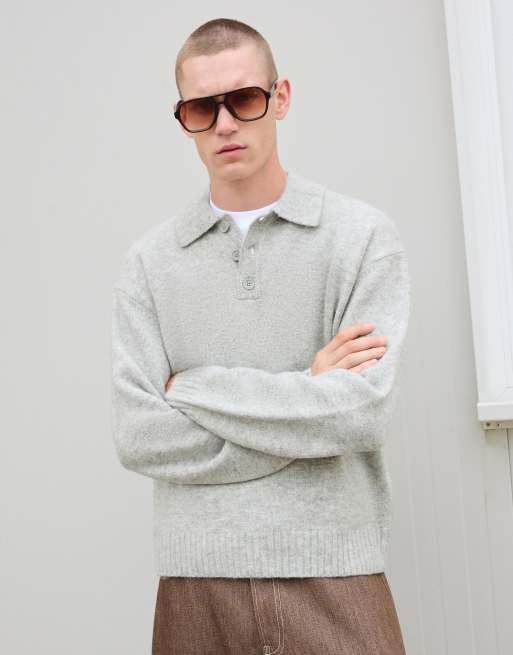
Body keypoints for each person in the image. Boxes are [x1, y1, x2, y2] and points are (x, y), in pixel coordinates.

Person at [110, 16, 410, 655]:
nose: (224, 124)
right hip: (195, 585)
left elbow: (358, 415)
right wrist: (309, 391)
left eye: (243, 99)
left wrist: (194, 391)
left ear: (280, 98)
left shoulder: (361, 238)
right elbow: (139, 437)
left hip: (337, 575)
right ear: (184, 119)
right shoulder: (149, 263)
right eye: (202, 108)